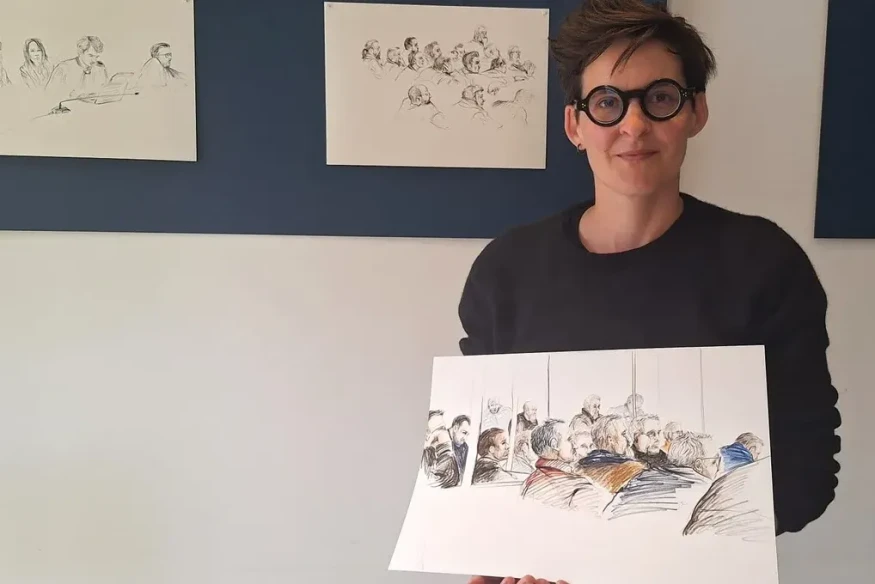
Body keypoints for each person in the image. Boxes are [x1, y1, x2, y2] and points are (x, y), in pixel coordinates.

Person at [460, 1, 841, 583]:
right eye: (607, 103)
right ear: (575, 126)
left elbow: (807, 472)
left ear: (696, 112)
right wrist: (495, 551)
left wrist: (655, 538)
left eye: (660, 98)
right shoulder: (505, 272)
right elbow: (478, 468)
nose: (634, 125)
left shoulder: (764, 263)